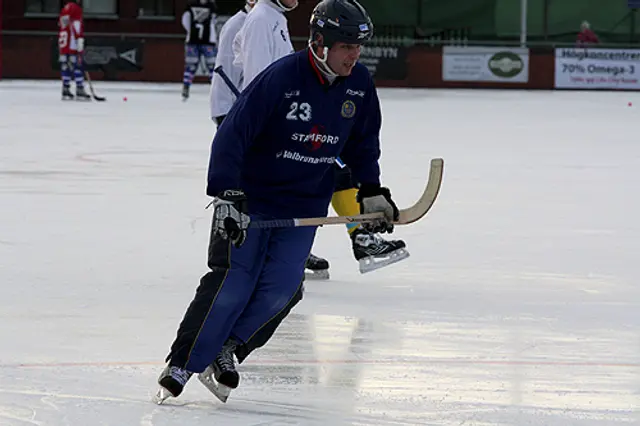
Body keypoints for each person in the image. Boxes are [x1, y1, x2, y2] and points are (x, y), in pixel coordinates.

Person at [155, 0, 401, 403]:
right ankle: (182, 362)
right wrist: (228, 193)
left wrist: (371, 189)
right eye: (345, 46)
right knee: (233, 282)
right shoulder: (282, 76)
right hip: (250, 199)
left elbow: (363, 143)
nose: (354, 55)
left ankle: (228, 349)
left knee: (282, 289)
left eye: (359, 47)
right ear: (319, 42)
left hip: (304, 204)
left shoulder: (359, 84)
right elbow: (232, 134)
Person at [209, 0, 257, 125]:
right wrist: (225, 115)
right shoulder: (236, 26)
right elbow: (226, 72)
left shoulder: (272, 21)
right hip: (237, 114)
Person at [181, 0, 218, 101]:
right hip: (207, 41)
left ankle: (186, 87)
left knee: (190, 66)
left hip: (193, 41)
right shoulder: (211, 6)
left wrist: (191, 32)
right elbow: (214, 21)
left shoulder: (190, 5)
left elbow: (185, 20)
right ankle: (215, 89)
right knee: (212, 67)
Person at [58, 0, 90, 101]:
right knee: (77, 66)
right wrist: (79, 40)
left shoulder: (65, 9)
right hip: (72, 44)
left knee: (65, 66)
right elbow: (76, 27)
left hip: (63, 45)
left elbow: (63, 24)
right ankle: (80, 89)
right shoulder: (75, 9)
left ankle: (65, 88)